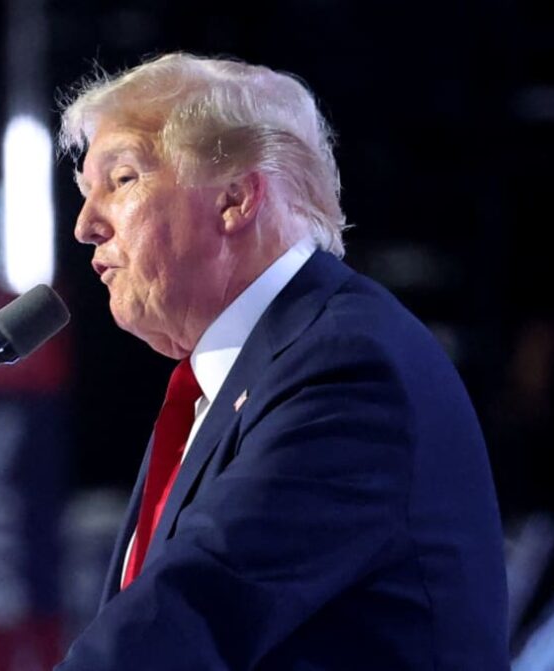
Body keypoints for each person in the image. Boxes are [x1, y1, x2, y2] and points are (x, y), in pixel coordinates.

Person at [56, 53, 509, 670]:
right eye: (86, 192)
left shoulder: (347, 367)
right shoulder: (232, 381)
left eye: (123, 178)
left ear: (236, 199)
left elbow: (191, 610)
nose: (86, 225)